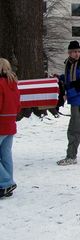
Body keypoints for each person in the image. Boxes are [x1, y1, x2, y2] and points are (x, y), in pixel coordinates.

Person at [0, 58, 20, 198]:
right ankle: (7, 183)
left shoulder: (0, 84)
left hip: (1, 122)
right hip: (11, 121)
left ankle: (6, 182)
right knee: (6, 154)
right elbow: (18, 104)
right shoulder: (13, 84)